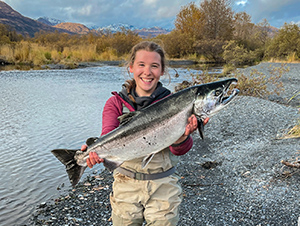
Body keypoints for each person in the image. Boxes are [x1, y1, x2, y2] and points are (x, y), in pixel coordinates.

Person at [81, 41, 203, 226]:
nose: (147, 72)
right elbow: (108, 135)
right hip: (125, 184)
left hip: (164, 185)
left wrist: (183, 135)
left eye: (154, 66)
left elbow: (180, 150)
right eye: (141, 65)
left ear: (162, 71)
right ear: (130, 68)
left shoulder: (175, 103)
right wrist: (93, 153)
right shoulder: (115, 103)